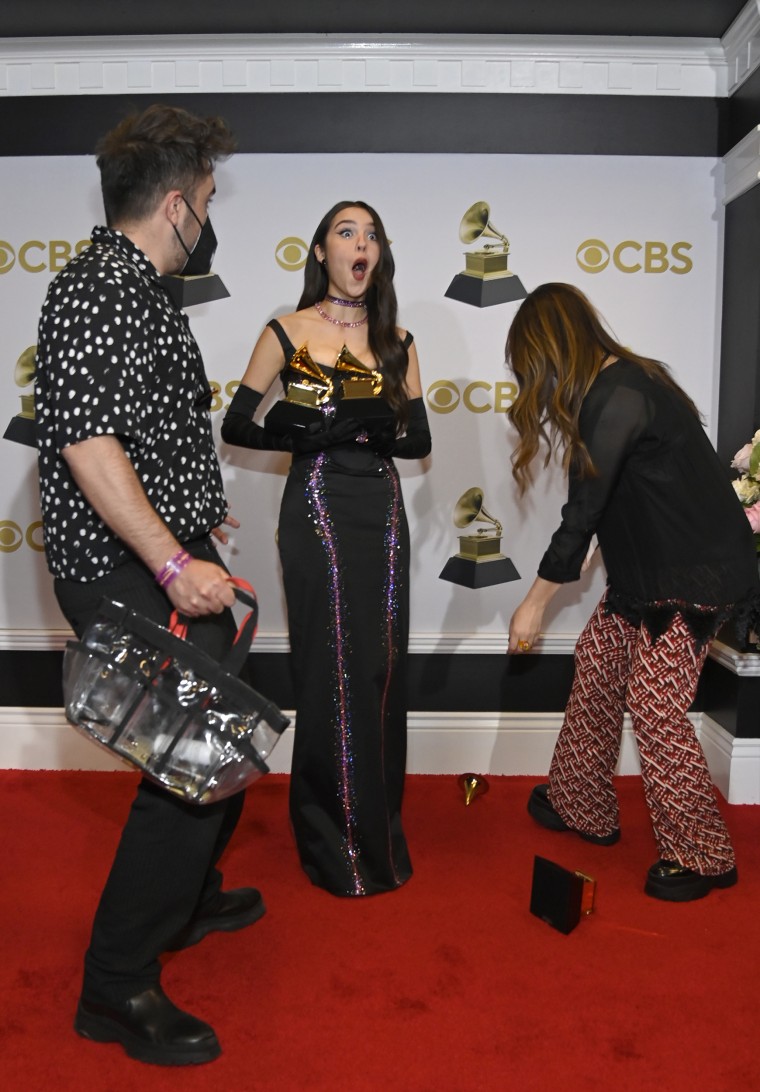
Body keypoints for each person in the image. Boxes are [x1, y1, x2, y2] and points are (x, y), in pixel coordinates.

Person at [35, 104, 264, 1066]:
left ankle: (186, 901)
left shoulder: (136, 288)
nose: (209, 217)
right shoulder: (95, 288)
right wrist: (173, 562)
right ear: (175, 205)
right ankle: (115, 984)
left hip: (162, 559)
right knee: (194, 761)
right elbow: (87, 444)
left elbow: (140, 432)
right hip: (129, 575)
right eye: (207, 199)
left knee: (230, 730)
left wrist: (194, 518)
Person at [505, 282, 759, 903]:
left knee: (653, 701)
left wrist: (533, 603)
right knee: (598, 666)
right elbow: (616, 499)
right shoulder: (622, 383)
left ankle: (703, 853)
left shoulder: (618, 394)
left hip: (692, 577)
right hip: (648, 573)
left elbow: (582, 511)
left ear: (552, 353)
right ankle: (580, 803)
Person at [222, 200, 431, 896]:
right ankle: (328, 838)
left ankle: (378, 833)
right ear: (320, 252)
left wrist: (368, 427)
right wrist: (301, 434)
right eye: (347, 232)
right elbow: (237, 424)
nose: (361, 243)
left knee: (380, 667)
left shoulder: (397, 338)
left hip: (380, 507)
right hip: (315, 504)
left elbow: (420, 441)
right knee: (332, 665)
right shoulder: (287, 331)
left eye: (373, 233)